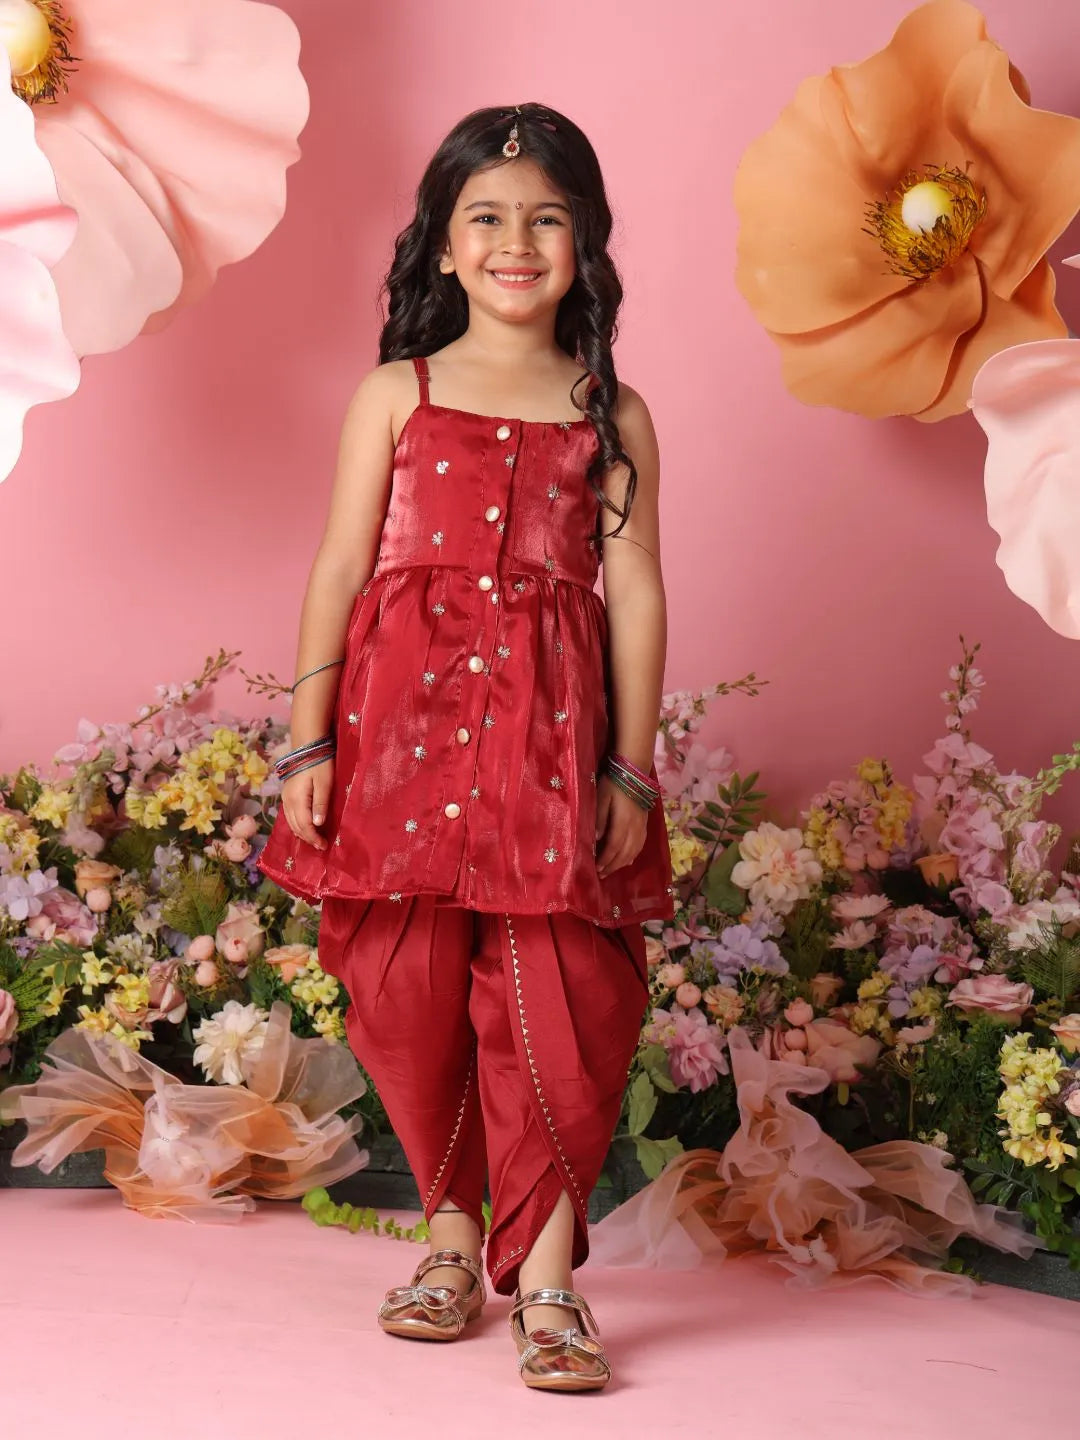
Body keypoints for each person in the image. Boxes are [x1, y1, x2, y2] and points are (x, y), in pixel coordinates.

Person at [257, 102, 674, 1392]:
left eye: (547, 217)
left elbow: (639, 595)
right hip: (400, 752)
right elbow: (338, 567)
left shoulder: (614, 413)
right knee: (405, 988)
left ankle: (545, 1278)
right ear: (441, 246)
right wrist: (305, 741)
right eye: (485, 217)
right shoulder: (399, 393)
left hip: (554, 760)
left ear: (585, 241)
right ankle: (446, 1242)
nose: (515, 241)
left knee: (564, 1002)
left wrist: (631, 770)